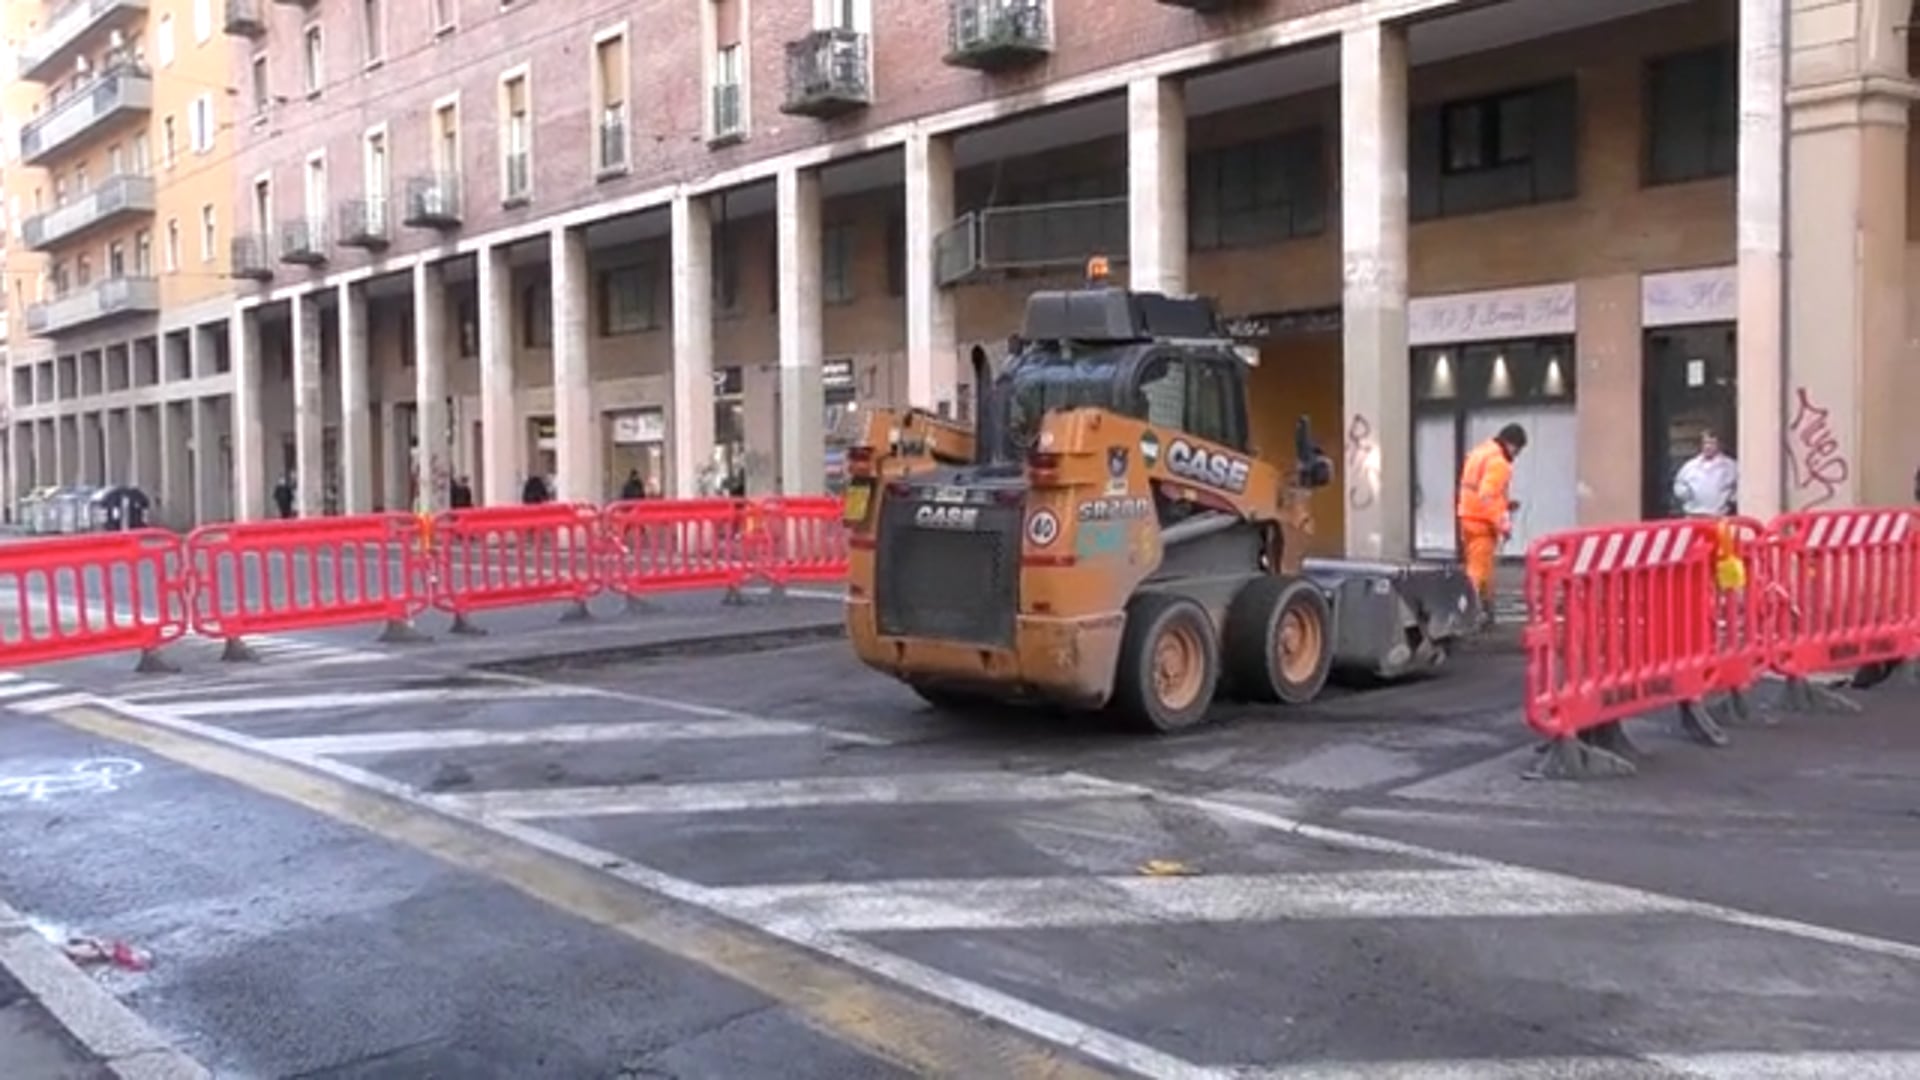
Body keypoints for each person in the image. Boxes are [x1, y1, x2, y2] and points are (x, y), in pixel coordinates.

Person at [1457, 423, 1527, 630]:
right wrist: (1502, 523)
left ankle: (1486, 610)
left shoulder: (1480, 452)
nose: (1516, 454)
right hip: (1482, 523)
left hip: (1467, 516)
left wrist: (1506, 504)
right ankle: (1465, 612)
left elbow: (1479, 489)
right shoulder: (1499, 463)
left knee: (1482, 567)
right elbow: (1487, 494)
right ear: (1512, 444)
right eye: (1518, 449)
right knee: (1477, 571)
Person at [1672, 431, 1737, 517]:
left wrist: (1731, 499)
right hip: (1694, 515)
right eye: (1705, 443)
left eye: (1712, 443)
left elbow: (1740, 485)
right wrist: (1686, 495)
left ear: (1719, 445)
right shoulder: (1690, 465)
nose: (1708, 446)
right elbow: (1679, 483)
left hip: (1718, 516)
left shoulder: (1730, 465)